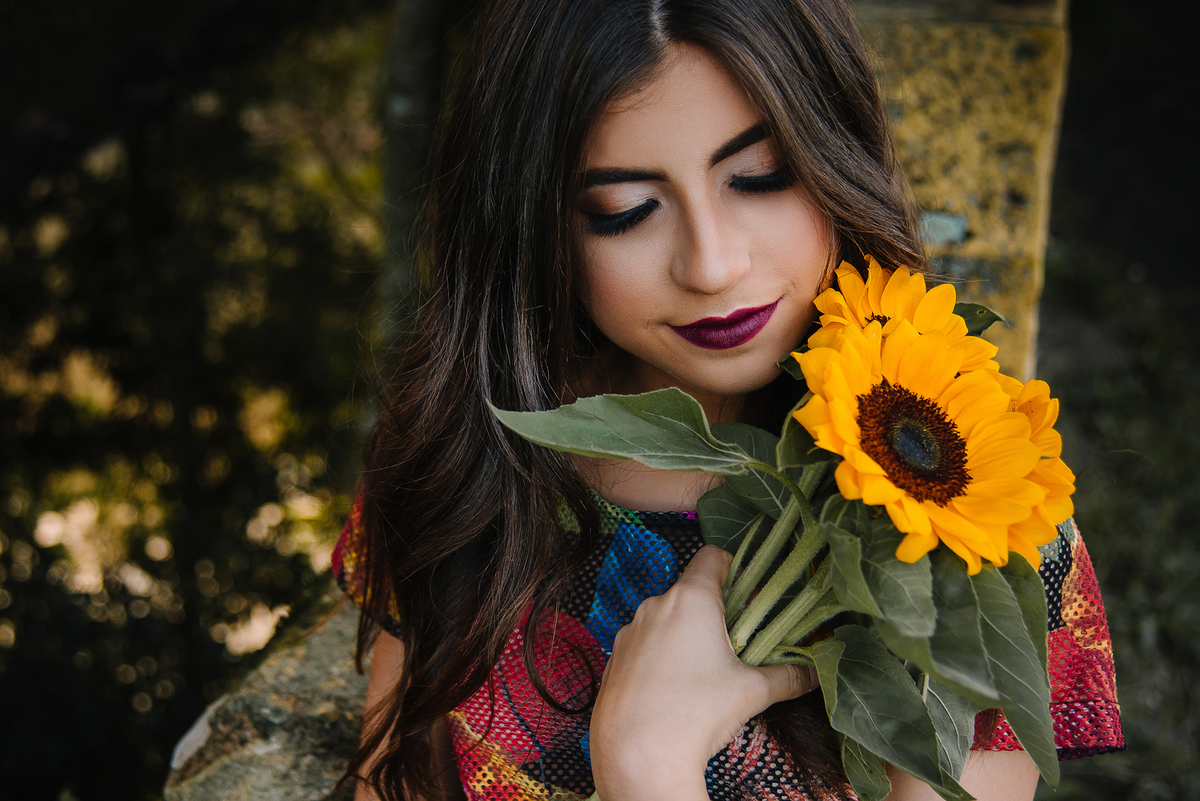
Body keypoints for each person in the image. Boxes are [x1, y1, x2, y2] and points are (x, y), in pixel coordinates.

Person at [334, 0, 1124, 799]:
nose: (711, 265)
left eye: (761, 176)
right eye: (624, 211)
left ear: (836, 155)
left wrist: (648, 762)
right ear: (534, 226)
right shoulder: (465, 459)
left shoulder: (982, 516)